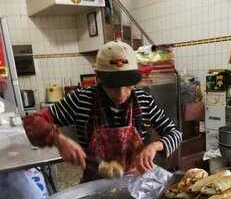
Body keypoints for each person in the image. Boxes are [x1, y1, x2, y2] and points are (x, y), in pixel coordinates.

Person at [23, 40, 182, 181]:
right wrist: (58, 139)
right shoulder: (81, 100)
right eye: (113, 86)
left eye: (127, 84)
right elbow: (32, 123)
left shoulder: (143, 100)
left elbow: (175, 133)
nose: (121, 93)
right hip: (94, 183)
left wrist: (154, 146)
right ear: (99, 79)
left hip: (136, 182)